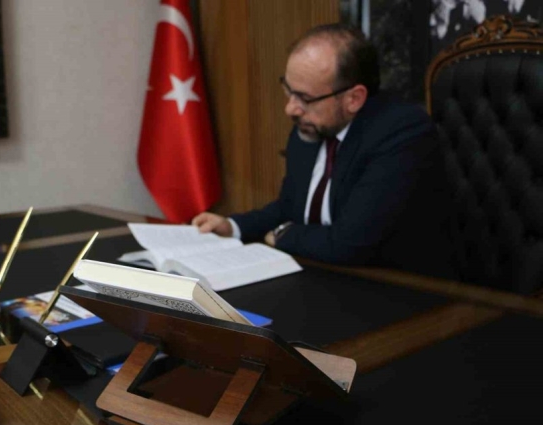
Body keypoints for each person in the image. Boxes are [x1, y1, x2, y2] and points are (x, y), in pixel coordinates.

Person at [192, 23, 455, 279]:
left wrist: (283, 235)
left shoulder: (401, 132)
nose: (290, 109)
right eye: (289, 91)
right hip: (323, 273)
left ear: (353, 99)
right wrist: (233, 227)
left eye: (305, 98)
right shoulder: (312, 126)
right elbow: (290, 207)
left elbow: (350, 243)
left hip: (401, 287)